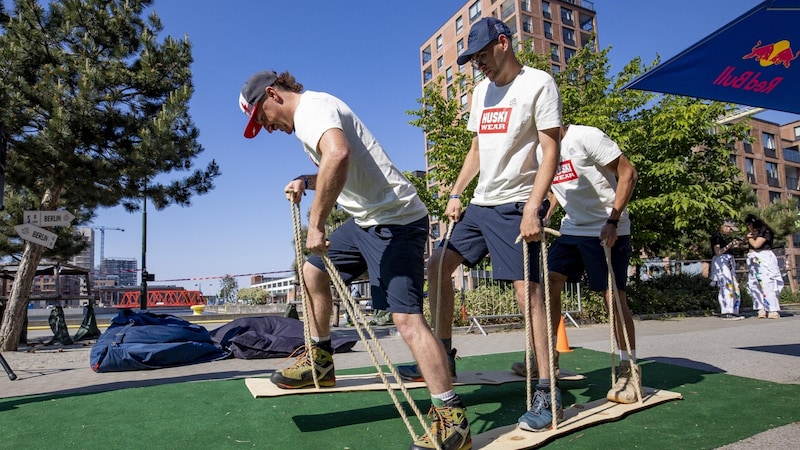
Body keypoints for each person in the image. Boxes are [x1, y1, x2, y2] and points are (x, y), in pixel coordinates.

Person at [238, 70, 471, 450]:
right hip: (365, 221)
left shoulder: (315, 107)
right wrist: (306, 179)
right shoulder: (308, 122)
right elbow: (342, 168)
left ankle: (453, 420)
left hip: (397, 222)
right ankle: (321, 360)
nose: (264, 127)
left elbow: (339, 154)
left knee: (407, 320)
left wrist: (316, 223)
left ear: (272, 94)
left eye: (260, 117)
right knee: (311, 272)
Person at [397, 17, 564, 432]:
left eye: (483, 56)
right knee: (437, 266)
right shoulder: (480, 92)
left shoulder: (538, 84)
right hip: (480, 204)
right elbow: (476, 148)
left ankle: (547, 388)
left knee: (530, 294)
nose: (479, 65)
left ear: (503, 43)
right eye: (473, 60)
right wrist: (456, 192)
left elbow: (552, 151)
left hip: (515, 205)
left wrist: (533, 207)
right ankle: (446, 355)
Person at [535, 124, 639, 405]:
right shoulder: (541, 149)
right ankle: (548, 361)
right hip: (572, 230)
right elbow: (558, 190)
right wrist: (545, 214)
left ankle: (629, 369)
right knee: (547, 284)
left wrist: (613, 221)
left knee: (612, 298)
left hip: (607, 228)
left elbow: (628, 173)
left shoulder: (585, 136)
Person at [744, 214, 783, 319]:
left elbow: (757, 244)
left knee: (767, 283)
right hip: (754, 259)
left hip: (764, 257)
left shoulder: (765, 231)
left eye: (749, 224)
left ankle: (772, 309)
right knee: (754, 284)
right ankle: (761, 308)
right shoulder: (753, 233)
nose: (748, 227)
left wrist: (749, 238)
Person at [710, 219, 744, 320]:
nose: (731, 231)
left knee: (735, 286)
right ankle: (726, 311)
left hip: (729, 262)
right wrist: (729, 245)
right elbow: (718, 252)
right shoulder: (717, 237)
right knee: (726, 285)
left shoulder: (725, 238)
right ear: (724, 227)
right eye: (730, 229)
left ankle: (734, 310)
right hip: (721, 262)